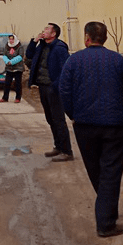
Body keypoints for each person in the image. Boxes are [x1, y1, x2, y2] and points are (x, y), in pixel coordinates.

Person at [58, 21, 123, 238]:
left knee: (96, 170)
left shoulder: (73, 60)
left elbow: (64, 91)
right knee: (111, 172)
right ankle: (106, 220)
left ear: (86, 38)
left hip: (84, 125)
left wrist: (73, 115)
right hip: (113, 126)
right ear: (104, 38)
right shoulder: (117, 60)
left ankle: (106, 213)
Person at [26, 22, 73, 162]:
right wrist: (34, 42)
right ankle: (58, 147)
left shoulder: (59, 48)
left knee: (58, 120)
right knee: (50, 119)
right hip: (42, 86)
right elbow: (29, 55)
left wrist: (55, 86)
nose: (44, 30)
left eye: (47, 29)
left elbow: (65, 70)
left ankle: (67, 151)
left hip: (53, 89)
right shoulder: (42, 46)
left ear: (53, 34)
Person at [0, 34, 24, 103]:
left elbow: (21, 56)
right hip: (9, 68)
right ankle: (5, 98)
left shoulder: (19, 46)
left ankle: (18, 98)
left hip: (18, 68)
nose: (11, 41)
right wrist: (7, 61)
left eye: (12, 39)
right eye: (10, 39)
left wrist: (12, 62)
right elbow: (4, 55)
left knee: (17, 83)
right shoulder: (7, 46)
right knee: (7, 83)